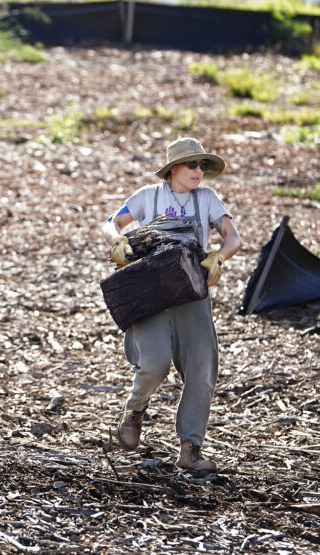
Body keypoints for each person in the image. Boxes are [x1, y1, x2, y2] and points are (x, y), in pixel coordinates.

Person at [102, 136, 242, 472]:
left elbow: (234, 238)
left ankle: (190, 449)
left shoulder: (207, 199)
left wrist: (218, 259)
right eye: (192, 164)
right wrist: (117, 241)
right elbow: (111, 223)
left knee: (201, 370)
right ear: (173, 168)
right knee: (154, 363)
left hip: (192, 294)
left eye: (202, 166)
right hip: (149, 294)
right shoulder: (147, 197)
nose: (199, 171)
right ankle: (134, 411)